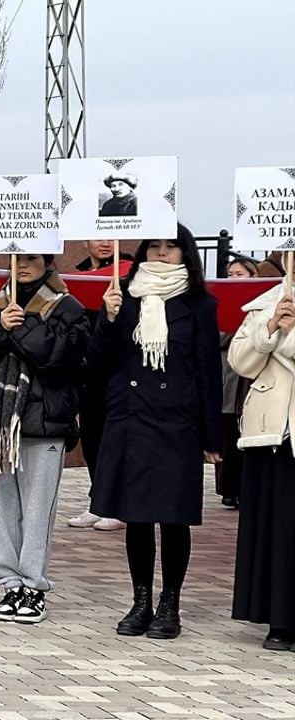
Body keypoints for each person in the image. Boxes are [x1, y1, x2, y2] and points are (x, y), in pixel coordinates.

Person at [88, 225, 222, 640]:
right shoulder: (122, 298)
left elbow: (208, 372)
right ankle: (141, 599)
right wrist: (108, 320)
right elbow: (95, 365)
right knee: (137, 517)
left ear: (186, 254)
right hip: (131, 419)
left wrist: (211, 437)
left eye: (172, 247)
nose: (162, 254)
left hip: (176, 422)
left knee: (173, 518)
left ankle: (170, 602)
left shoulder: (200, 304)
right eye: (155, 246)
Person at [0, 254, 89, 624]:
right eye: (17, 259)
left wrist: (22, 327)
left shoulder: (68, 307)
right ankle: (8, 583)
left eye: (32, 259)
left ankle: (33, 585)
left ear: (48, 263)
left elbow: (60, 357)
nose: (23, 266)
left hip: (44, 422)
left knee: (37, 509)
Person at [228, 284, 295, 652]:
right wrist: (269, 327)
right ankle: (278, 618)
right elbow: (241, 361)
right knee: (274, 527)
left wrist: (289, 334)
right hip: (270, 431)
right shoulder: (267, 302)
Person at [68, 239, 134, 532]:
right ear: (85, 241)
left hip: (119, 368)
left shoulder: (131, 271)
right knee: (92, 436)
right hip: (86, 368)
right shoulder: (77, 275)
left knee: (116, 437)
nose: (105, 243)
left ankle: (121, 504)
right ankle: (99, 500)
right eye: (98, 236)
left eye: (111, 237)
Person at [217, 258, 260, 507]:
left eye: (239, 273)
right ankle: (228, 488)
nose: (234, 278)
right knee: (228, 434)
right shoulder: (222, 301)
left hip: (251, 376)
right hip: (229, 375)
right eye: (230, 274)